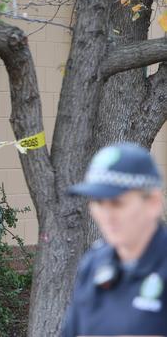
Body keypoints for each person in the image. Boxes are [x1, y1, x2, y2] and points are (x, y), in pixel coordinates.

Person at [62, 142, 167, 336]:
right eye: (98, 202)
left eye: (117, 203)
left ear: (153, 203)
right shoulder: (93, 263)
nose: (106, 215)